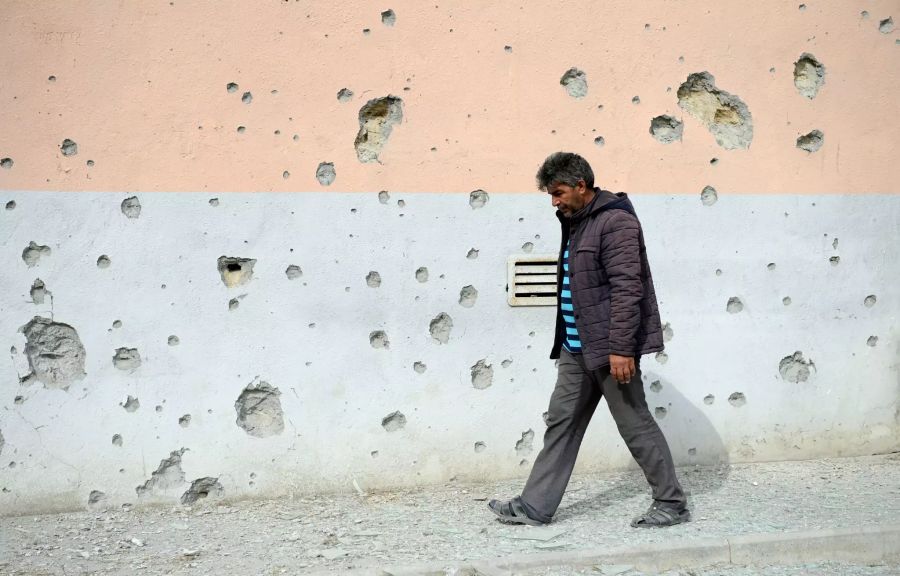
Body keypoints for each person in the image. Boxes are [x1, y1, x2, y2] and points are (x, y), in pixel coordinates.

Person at [488, 152, 689, 528]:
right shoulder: (577, 220)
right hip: (575, 348)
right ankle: (534, 506)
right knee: (561, 422)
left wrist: (621, 349)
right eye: (550, 194)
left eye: (559, 192)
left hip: (608, 350)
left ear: (582, 186)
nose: (554, 201)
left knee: (635, 424)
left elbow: (628, 289)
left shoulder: (615, 222)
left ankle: (671, 503)